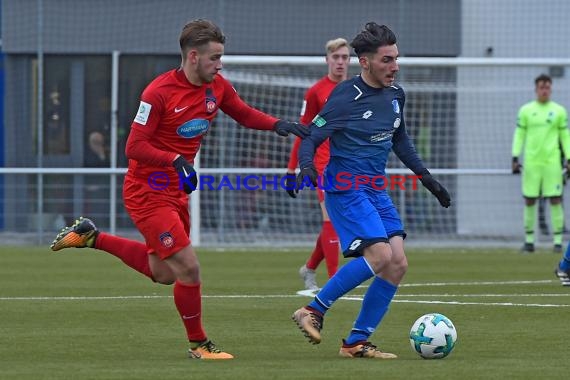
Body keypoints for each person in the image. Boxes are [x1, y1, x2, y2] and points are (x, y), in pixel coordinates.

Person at [50, 19, 308, 360]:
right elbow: (133, 146)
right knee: (189, 268)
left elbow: (243, 114)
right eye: (214, 58)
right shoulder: (157, 93)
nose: (220, 64)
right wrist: (174, 159)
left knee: (164, 274)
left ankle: (92, 237)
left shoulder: (217, 87)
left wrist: (280, 125)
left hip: (176, 190)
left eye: (221, 57)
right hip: (147, 190)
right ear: (192, 56)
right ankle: (199, 344)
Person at [291, 22, 451, 359]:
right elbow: (312, 136)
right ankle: (313, 310)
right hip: (345, 188)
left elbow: (400, 139)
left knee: (398, 264)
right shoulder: (345, 97)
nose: (394, 67)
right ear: (364, 63)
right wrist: (306, 167)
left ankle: (355, 343)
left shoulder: (396, 96)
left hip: (375, 189)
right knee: (380, 256)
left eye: (396, 59)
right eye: (386, 60)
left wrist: (426, 177)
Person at [285, 38, 350, 290]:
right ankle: (335, 281)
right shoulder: (315, 92)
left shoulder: (357, 89)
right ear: (327, 60)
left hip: (349, 165)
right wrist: (292, 169)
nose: (341, 62)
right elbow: (303, 132)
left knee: (339, 224)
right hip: (322, 165)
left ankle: (309, 268)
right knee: (331, 220)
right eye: (336, 57)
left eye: (345, 57)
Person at [511, 74, 570, 253]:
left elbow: (565, 136)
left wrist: (569, 158)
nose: (544, 90)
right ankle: (529, 241)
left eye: (547, 87)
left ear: (551, 89)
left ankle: (558, 242)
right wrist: (514, 157)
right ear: (536, 89)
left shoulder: (559, 111)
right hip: (532, 163)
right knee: (529, 200)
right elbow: (519, 135)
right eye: (541, 87)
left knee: (555, 199)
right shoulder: (526, 111)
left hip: (551, 163)